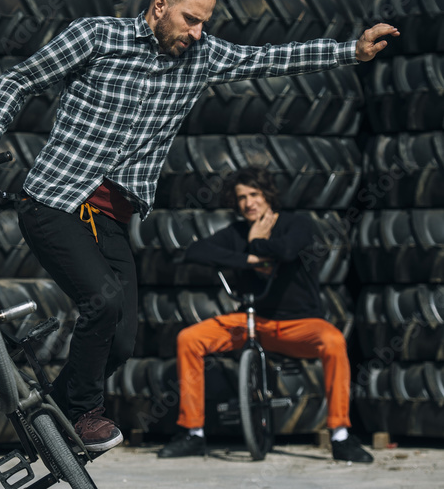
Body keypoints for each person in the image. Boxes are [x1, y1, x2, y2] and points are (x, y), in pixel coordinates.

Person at [0, 0, 397, 454]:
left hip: (110, 217)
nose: (198, 33)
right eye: (191, 19)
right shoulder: (96, 36)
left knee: (122, 341)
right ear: (159, 6)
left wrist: (349, 51)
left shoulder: (201, 56)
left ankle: (50, 416)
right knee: (103, 303)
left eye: (204, 22)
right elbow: (20, 81)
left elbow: (268, 58)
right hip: (54, 200)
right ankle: (82, 414)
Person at [157, 166, 373, 463]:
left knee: (334, 342)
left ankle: (340, 436)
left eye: (254, 194)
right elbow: (195, 251)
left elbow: (287, 251)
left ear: (268, 195)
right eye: (241, 197)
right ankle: (193, 432)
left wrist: (257, 241)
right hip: (251, 321)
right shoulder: (236, 232)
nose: (249, 203)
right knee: (189, 339)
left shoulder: (298, 223)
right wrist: (248, 257)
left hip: (299, 323)